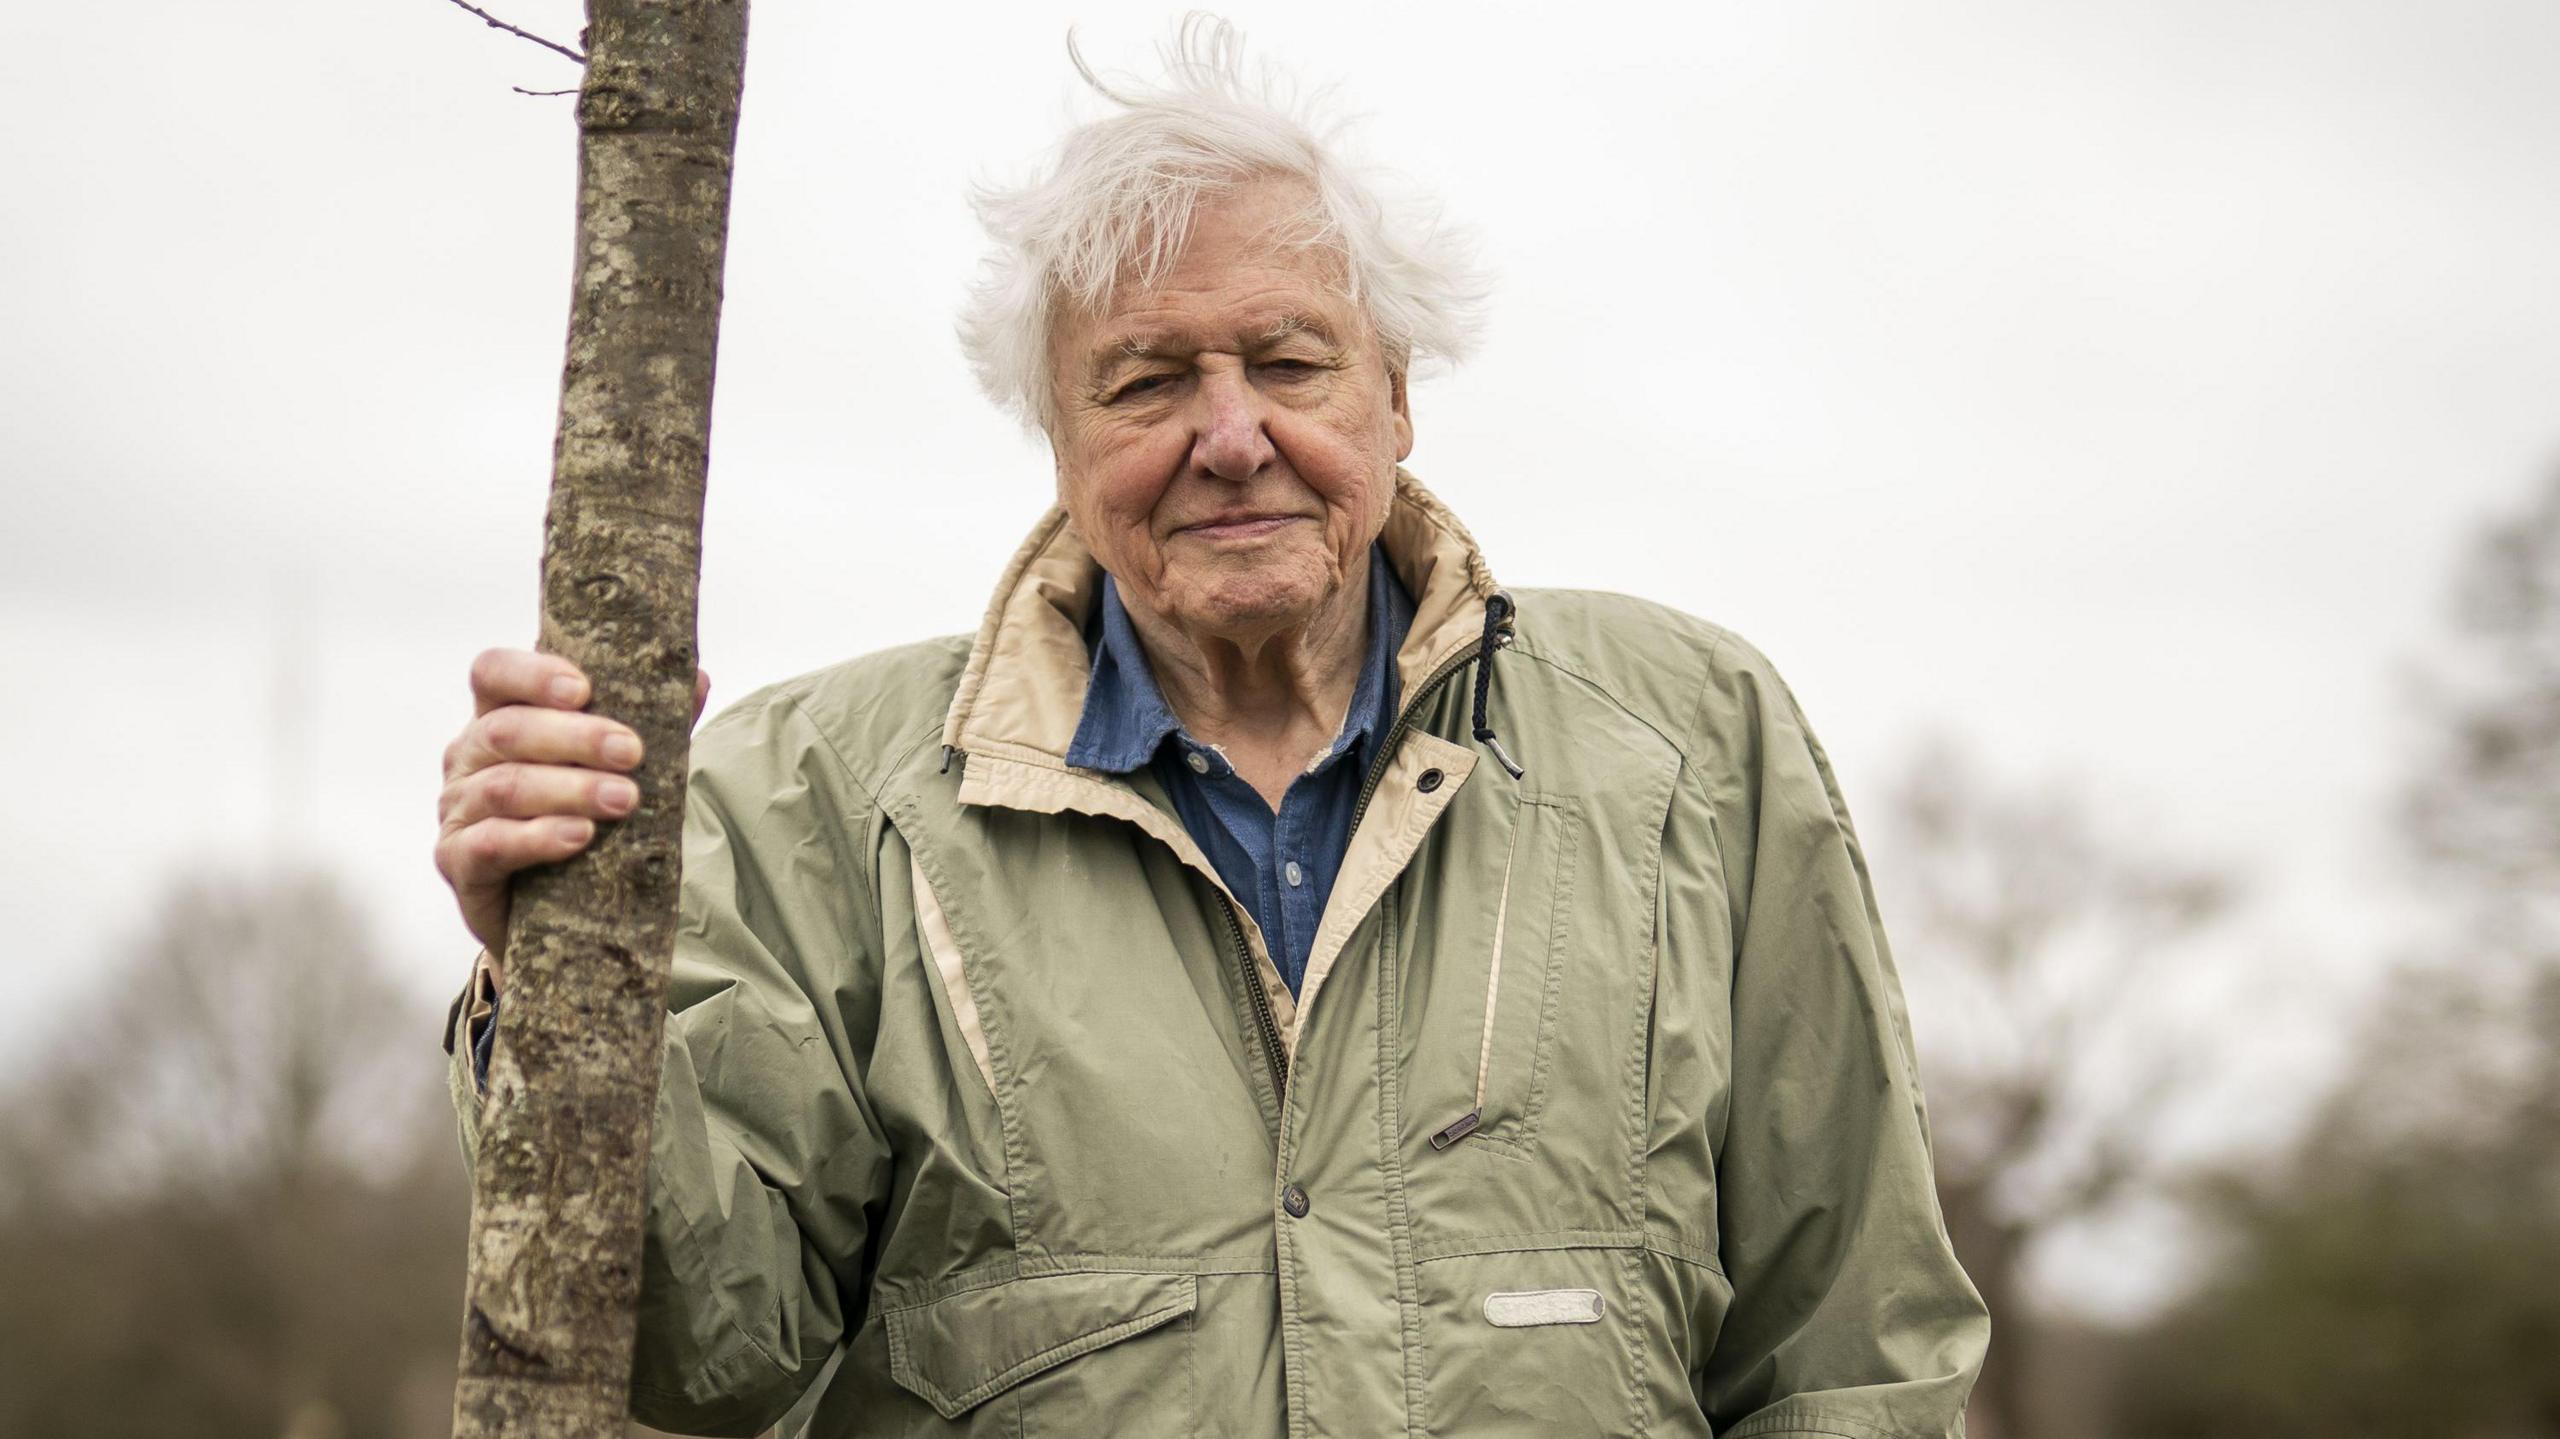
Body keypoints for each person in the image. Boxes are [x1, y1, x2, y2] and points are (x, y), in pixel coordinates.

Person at [436, 21, 1986, 1437]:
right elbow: (704, 1346)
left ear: (1397, 395)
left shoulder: (1688, 740)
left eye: (1292, 362)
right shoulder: (812, 801)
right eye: (1147, 379)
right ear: (1058, 434)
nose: (1232, 436)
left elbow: (1854, 1350)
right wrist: (564, 973)